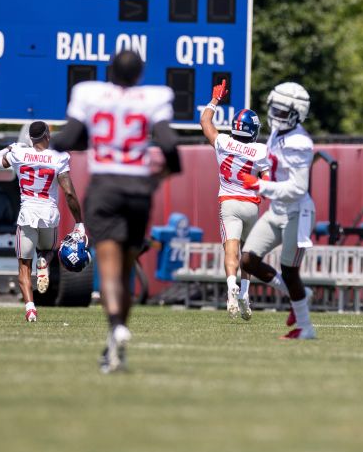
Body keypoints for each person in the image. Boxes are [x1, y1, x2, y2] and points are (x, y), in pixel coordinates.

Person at [51, 50, 182, 372]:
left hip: (106, 187)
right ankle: (114, 349)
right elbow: (168, 145)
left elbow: (69, 137)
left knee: (108, 268)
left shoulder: (88, 92)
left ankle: (116, 325)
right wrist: (160, 177)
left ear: (110, 70)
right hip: (139, 190)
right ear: (140, 74)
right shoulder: (154, 96)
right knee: (125, 270)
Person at [237, 82, 318, 340]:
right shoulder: (277, 133)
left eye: (282, 113)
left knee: (289, 270)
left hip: (297, 212)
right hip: (277, 210)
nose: (275, 116)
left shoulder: (299, 142)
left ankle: (306, 328)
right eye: (274, 109)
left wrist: (260, 184)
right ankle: (299, 297)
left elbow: (297, 188)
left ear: (298, 113)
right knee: (248, 260)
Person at [0, 121, 84, 323]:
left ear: (30, 138)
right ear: (48, 135)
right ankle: (44, 263)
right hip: (49, 213)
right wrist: (79, 222)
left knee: (24, 266)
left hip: (27, 213)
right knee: (48, 250)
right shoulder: (59, 157)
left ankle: (30, 309)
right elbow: (69, 192)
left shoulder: (19, 153)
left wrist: (10, 147)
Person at [199, 79, 268, 321]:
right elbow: (267, 183)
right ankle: (246, 296)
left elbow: (205, 123)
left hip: (229, 202)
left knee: (231, 249)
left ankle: (231, 290)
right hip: (250, 205)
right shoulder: (261, 151)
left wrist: (215, 100)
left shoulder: (224, 142)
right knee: (247, 254)